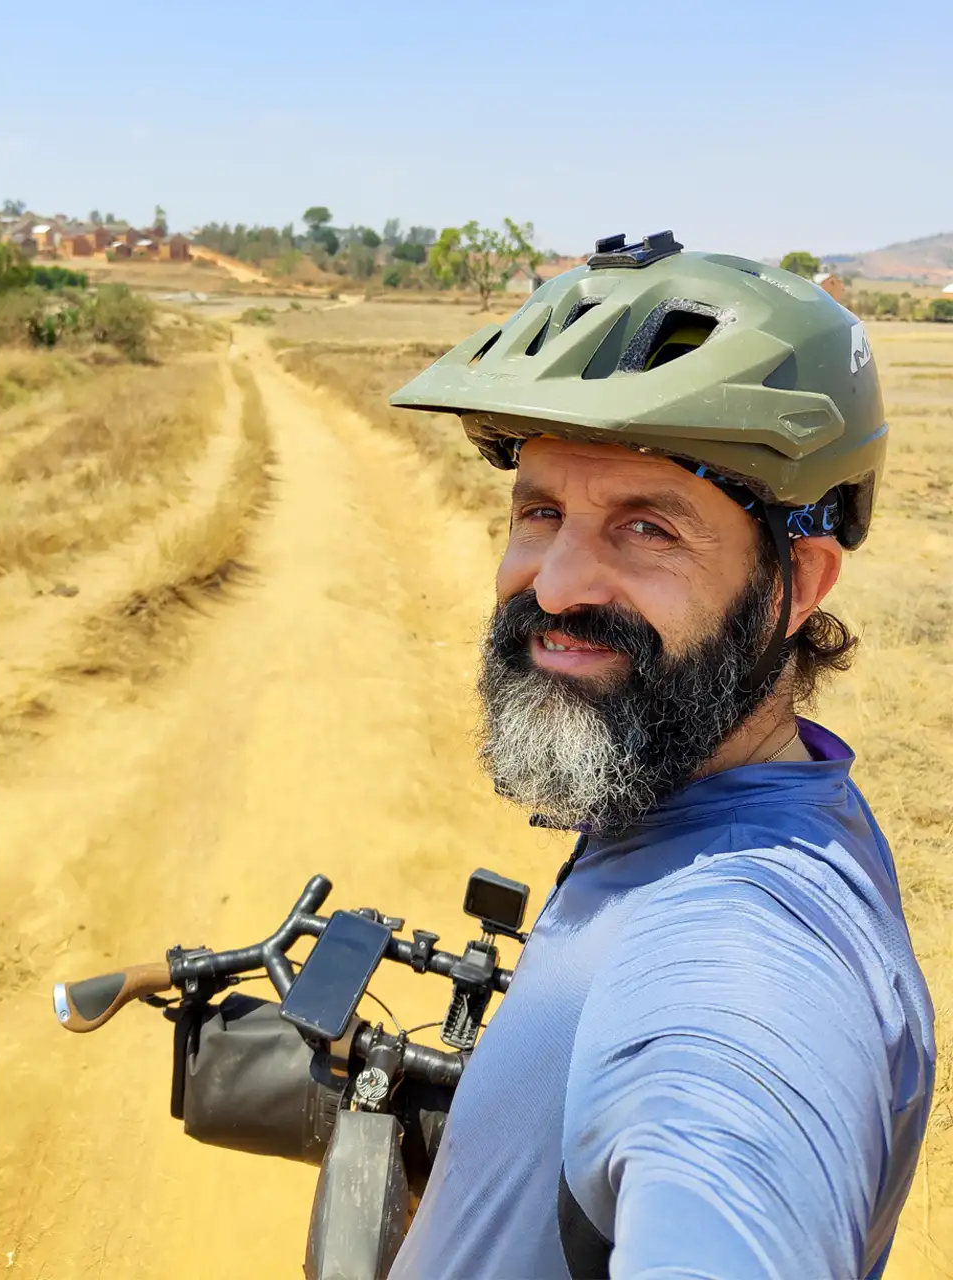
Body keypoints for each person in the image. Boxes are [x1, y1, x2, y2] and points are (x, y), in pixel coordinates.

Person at [383, 235, 934, 1278]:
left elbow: (736, 1114)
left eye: (646, 527)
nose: (552, 585)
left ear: (798, 583)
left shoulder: (751, 952)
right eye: (540, 510)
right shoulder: (701, 783)